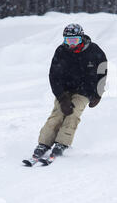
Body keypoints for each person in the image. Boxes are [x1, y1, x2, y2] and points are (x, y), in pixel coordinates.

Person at [31, 23, 107, 161]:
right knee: (57, 114)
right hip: (65, 90)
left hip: (85, 91)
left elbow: (103, 72)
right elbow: (54, 76)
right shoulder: (61, 52)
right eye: (68, 40)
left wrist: (98, 94)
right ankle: (44, 143)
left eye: (74, 40)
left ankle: (62, 143)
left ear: (81, 38)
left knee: (73, 113)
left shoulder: (94, 51)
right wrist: (62, 97)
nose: (71, 45)